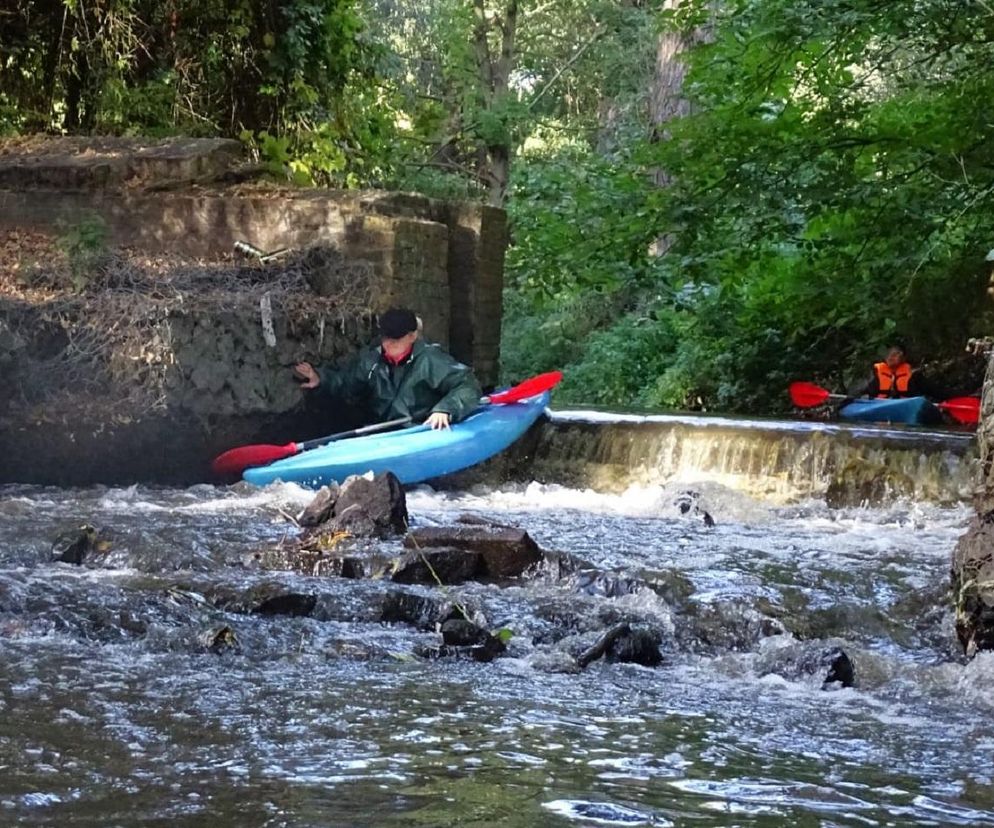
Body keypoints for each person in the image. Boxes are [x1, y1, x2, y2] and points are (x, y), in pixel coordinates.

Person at [293, 308, 481, 430]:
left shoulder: (431, 360)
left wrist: (444, 409)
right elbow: (347, 384)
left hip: (419, 429)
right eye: (385, 338)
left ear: (412, 336)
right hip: (383, 432)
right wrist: (320, 379)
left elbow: (468, 384)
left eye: (395, 339)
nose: (388, 344)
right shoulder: (372, 360)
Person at [850, 343, 929, 399]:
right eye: (890, 353)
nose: (891, 356)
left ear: (904, 358)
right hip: (877, 404)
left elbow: (931, 390)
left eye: (896, 354)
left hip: (904, 405)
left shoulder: (913, 375)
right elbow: (857, 391)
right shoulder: (875, 371)